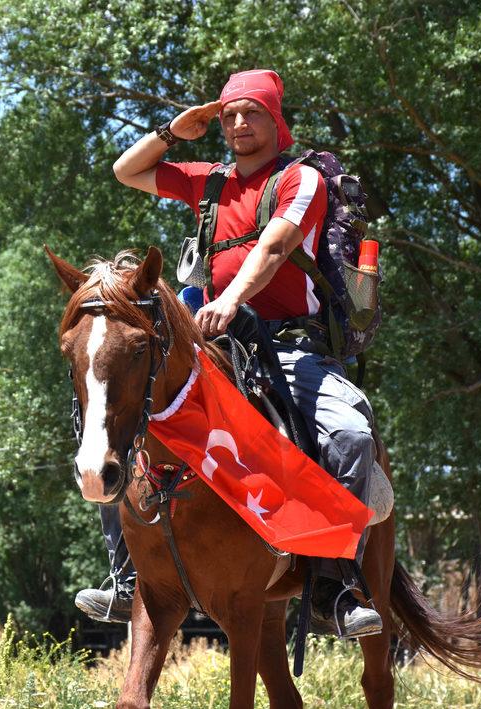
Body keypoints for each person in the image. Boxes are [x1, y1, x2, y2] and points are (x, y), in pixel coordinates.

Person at [76, 69, 382, 638]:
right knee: (124, 415)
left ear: (275, 120)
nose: (239, 124)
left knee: (351, 436)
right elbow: (127, 171)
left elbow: (274, 247)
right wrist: (174, 129)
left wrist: (232, 300)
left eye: (252, 113)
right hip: (211, 341)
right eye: (230, 115)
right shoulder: (207, 179)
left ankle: (336, 585)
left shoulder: (303, 178)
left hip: (290, 344)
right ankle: (124, 579)